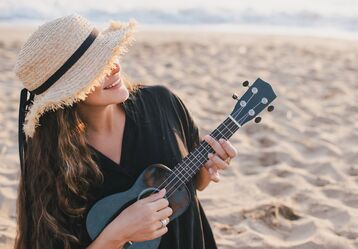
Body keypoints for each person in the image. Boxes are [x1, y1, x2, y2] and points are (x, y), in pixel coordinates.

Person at [13, 13, 237, 249]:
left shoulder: (162, 103)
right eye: (96, 68)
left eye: (109, 56)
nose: (114, 67)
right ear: (66, 95)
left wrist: (206, 170)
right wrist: (116, 235)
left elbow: (191, 187)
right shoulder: (52, 160)